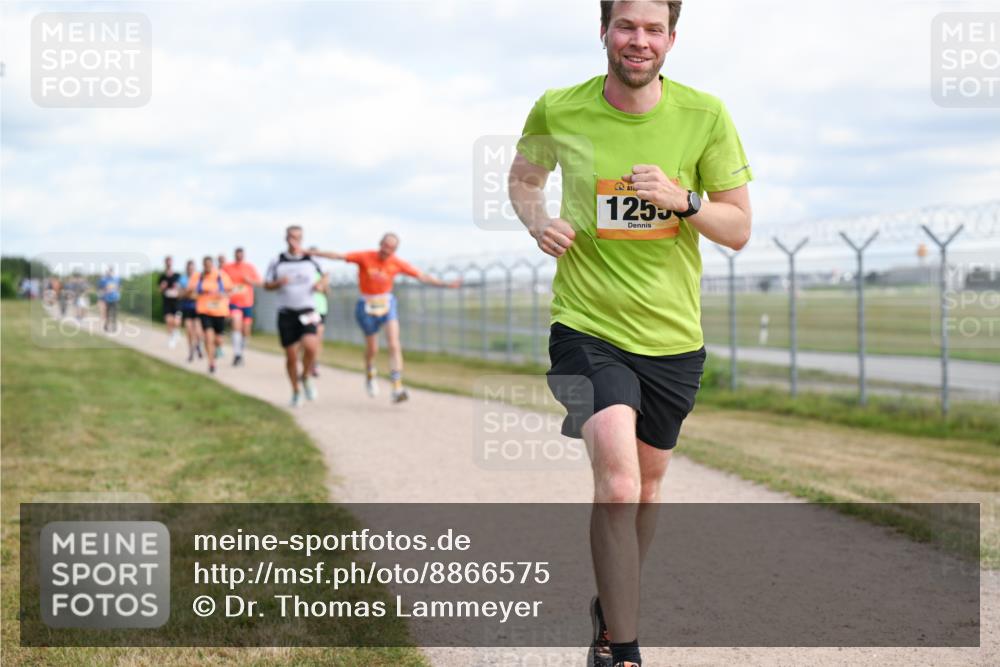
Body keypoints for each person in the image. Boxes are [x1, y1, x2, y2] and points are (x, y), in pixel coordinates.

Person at [508, 2, 753, 666]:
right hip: (586, 326)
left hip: (673, 338)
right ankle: (625, 648)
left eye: (652, 29)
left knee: (645, 487)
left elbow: (738, 227)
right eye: (625, 26)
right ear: (603, 32)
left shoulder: (705, 116)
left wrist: (687, 200)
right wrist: (537, 221)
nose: (637, 40)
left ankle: (610, 611)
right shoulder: (559, 107)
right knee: (616, 482)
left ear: (671, 39)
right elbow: (525, 178)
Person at [311, 233, 460, 404]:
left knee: (394, 344)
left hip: (387, 304)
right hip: (366, 305)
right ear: (380, 244)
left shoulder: (396, 263)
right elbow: (339, 256)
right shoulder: (365, 257)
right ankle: (369, 372)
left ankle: (397, 387)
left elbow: (421, 276)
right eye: (385, 246)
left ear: (395, 250)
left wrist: (445, 284)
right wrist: (312, 253)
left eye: (391, 248)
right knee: (372, 349)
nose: (386, 251)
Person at [264, 226, 324, 407]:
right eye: (291, 237)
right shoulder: (277, 261)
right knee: (291, 356)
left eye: (298, 238)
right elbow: (266, 285)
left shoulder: (311, 259)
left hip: (307, 309)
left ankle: (305, 375)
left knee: (311, 347)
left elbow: (326, 275)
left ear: (302, 239)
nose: (295, 241)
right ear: (286, 238)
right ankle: (296, 391)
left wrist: (320, 285)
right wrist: (278, 283)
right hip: (286, 312)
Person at [221, 247, 263, 367]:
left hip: (247, 303)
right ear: (235, 255)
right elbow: (221, 282)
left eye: (241, 255)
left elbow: (259, 282)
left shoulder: (249, 268)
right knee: (236, 324)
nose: (239, 257)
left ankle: (241, 351)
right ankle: (237, 354)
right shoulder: (227, 268)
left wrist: (249, 281)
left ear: (244, 256)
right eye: (237, 255)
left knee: (246, 331)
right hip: (234, 302)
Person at [192, 256, 233, 374]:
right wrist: (195, 295)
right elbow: (190, 291)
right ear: (203, 265)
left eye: (210, 265)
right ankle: (211, 363)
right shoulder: (198, 276)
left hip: (219, 311)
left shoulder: (221, 276)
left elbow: (231, 290)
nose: (208, 267)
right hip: (204, 310)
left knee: (218, 340)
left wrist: (223, 294)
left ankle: (217, 349)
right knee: (208, 337)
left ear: (213, 265)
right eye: (205, 265)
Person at [178, 259, 204, 363]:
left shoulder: (199, 279)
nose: (190, 270)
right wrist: (188, 293)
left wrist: (190, 294)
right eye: (189, 268)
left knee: (198, 332)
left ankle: (198, 345)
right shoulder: (183, 279)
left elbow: (201, 295)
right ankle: (191, 353)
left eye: (192, 268)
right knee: (189, 330)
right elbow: (180, 295)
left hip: (198, 308)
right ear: (186, 269)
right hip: (187, 308)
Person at [158, 256, 183, 348]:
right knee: (169, 321)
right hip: (167, 302)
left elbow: (182, 289)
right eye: (167, 262)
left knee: (176, 322)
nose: (169, 263)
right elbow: (159, 291)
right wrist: (162, 287)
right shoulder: (162, 276)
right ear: (165, 263)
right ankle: (171, 338)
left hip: (176, 302)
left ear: (172, 263)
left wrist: (178, 290)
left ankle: (176, 332)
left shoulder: (177, 276)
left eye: (170, 262)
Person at [310, 269, 331, 377]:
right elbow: (315, 287)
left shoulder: (321, 274)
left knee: (318, 338)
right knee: (307, 338)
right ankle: (306, 363)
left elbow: (326, 291)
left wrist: (324, 283)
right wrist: (323, 280)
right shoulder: (306, 272)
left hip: (321, 310)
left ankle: (315, 364)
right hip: (309, 309)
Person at [98, 268, 121, 333]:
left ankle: (114, 327)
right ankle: (106, 326)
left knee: (114, 314)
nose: (110, 273)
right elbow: (100, 289)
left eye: (111, 272)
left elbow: (119, 287)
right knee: (107, 314)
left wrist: (118, 294)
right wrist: (102, 295)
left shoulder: (117, 279)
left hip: (115, 299)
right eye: (109, 272)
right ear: (107, 273)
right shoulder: (104, 280)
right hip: (107, 299)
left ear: (113, 272)